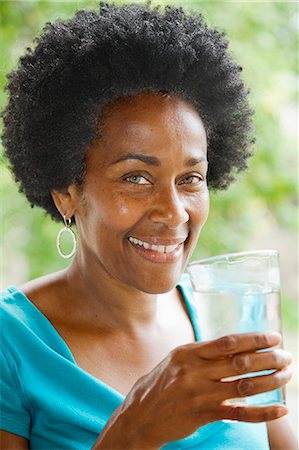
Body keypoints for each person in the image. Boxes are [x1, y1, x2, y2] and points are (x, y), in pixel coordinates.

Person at [0, 3, 296, 449]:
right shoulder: (11, 344)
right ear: (66, 193)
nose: (174, 211)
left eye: (191, 179)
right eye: (136, 178)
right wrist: (134, 432)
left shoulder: (228, 319)